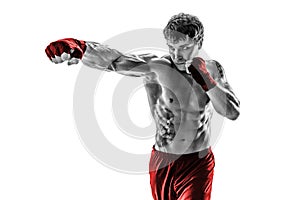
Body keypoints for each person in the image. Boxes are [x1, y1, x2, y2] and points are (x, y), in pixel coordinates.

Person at [45, 13, 240, 200]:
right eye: (172, 47)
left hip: (197, 162)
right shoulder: (157, 67)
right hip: (163, 161)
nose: (177, 55)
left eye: (185, 47)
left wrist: (206, 80)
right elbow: (115, 61)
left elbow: (232, 112)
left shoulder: (213, 69)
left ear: (199, 44)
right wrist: (81, 47)